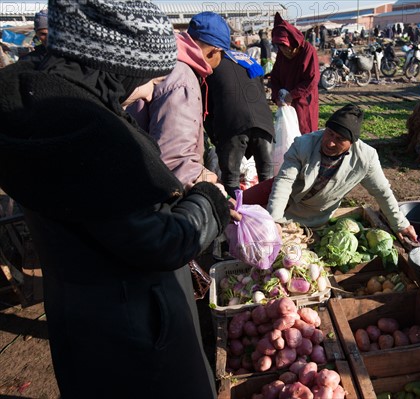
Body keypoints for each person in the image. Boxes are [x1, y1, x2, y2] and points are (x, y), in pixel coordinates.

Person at [0, 1, 235, 397]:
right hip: (140, 331)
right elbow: (160, 242)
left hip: (78, 318)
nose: (149, 91)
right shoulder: (92, 138)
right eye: (148, 78)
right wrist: (210, 201)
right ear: (116, 66)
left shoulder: (29, 105)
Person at [244, 104, 418, 242]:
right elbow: (283, 182)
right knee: (240, 208)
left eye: (340, 139)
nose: (331, 143)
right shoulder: (303, 144)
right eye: (330, 133)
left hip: (313, 214)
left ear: (352, 142)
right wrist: (275, 220)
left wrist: (400, 224)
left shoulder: (366, 158)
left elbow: (382, 192)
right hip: (284, 196)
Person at [127, 11, 234, 191]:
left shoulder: (165, 62)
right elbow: (173, 157)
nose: (220, 62)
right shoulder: (182, 78)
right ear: (215, 51)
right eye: (222, 56)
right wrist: (207, 185)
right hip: (150, 187)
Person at [203, 50, 275, 197]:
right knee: (267, 178)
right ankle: (267, 216)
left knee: (231, 180)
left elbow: (206, 109)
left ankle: (236, 216)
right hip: (264, 120)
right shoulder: (247, 60)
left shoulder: (211, 63)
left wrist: (217, 140)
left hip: (232, 123)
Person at [270, 12, 320, 135]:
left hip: (302, 101)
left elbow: (312, 79)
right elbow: (275, 76)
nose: (285, 51)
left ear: (294, 42)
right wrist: (277, 96)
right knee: (287, 134)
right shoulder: (282, 54)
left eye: (287, 47)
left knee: (305, 132)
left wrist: (292, 95)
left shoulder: (308, 51)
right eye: (281, 47)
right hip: (286, 102)